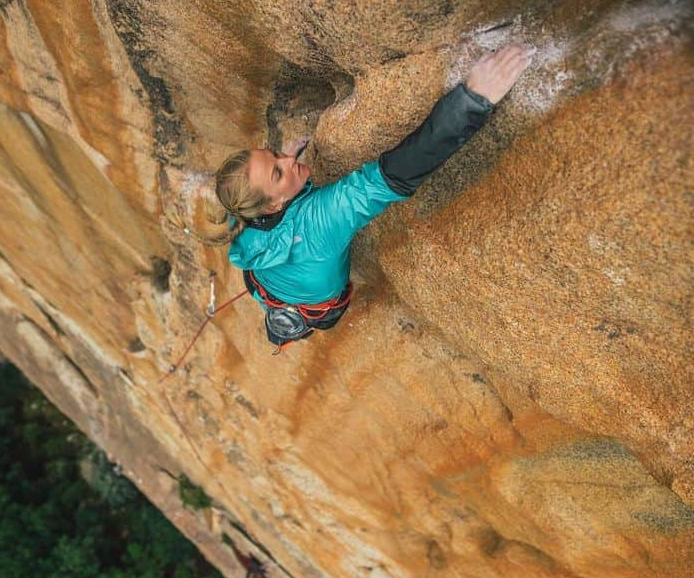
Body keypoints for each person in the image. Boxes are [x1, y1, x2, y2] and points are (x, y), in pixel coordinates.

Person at [209, 44, 534, 349]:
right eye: (277, 172)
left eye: (274, 153)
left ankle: (280, 308)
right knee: (308, 297)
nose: (287, 158)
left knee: (273, 271)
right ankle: (295, 322)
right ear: (272, 204)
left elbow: (277, 207)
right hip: (314, 305)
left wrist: (285, 168)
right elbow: (395, 173)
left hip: (260, 281)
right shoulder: (322, 223)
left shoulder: (248, 227)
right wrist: (472, 99)